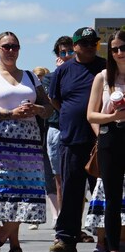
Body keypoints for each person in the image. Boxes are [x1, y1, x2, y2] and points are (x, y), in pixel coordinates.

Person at [0, 33, 53, 252]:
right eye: (6, 46)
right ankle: (3, 241)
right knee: (5, 193)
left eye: (15, 46)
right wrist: (10, 113)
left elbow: (48, 108)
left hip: (28, 144)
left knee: (29, 192)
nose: (11, 50)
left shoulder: (30, 76)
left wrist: (36, 109)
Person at [49, 27, 107, 252]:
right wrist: (72, 113)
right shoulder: (64, 71)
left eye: (93, 43)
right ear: (74, 47)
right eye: (84, 43)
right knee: (72, 191)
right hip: (72, 138)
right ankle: (66, 238)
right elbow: (55, 99)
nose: (90, 46)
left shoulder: (105, 67)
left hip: (101, 139)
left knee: (102, 191)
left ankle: (108, 238)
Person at [86, 29, 125, 252]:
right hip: (110, 138)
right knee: (111, 198)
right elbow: (91, 114)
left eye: (123, 47)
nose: (120, 53)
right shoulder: (102, 77)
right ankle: (113, 251)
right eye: (115, 49)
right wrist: (113, 116)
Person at [43, 36, 75, 214]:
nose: (67, 55)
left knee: (79, 179)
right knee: (60, 179)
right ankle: (64, 222)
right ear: (57, 55)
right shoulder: (50, 78)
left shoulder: (85, 74)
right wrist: (62, 71)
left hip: (80, 129)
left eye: (70, 51)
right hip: (57, 129)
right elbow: (53, 98)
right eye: (63, 52)